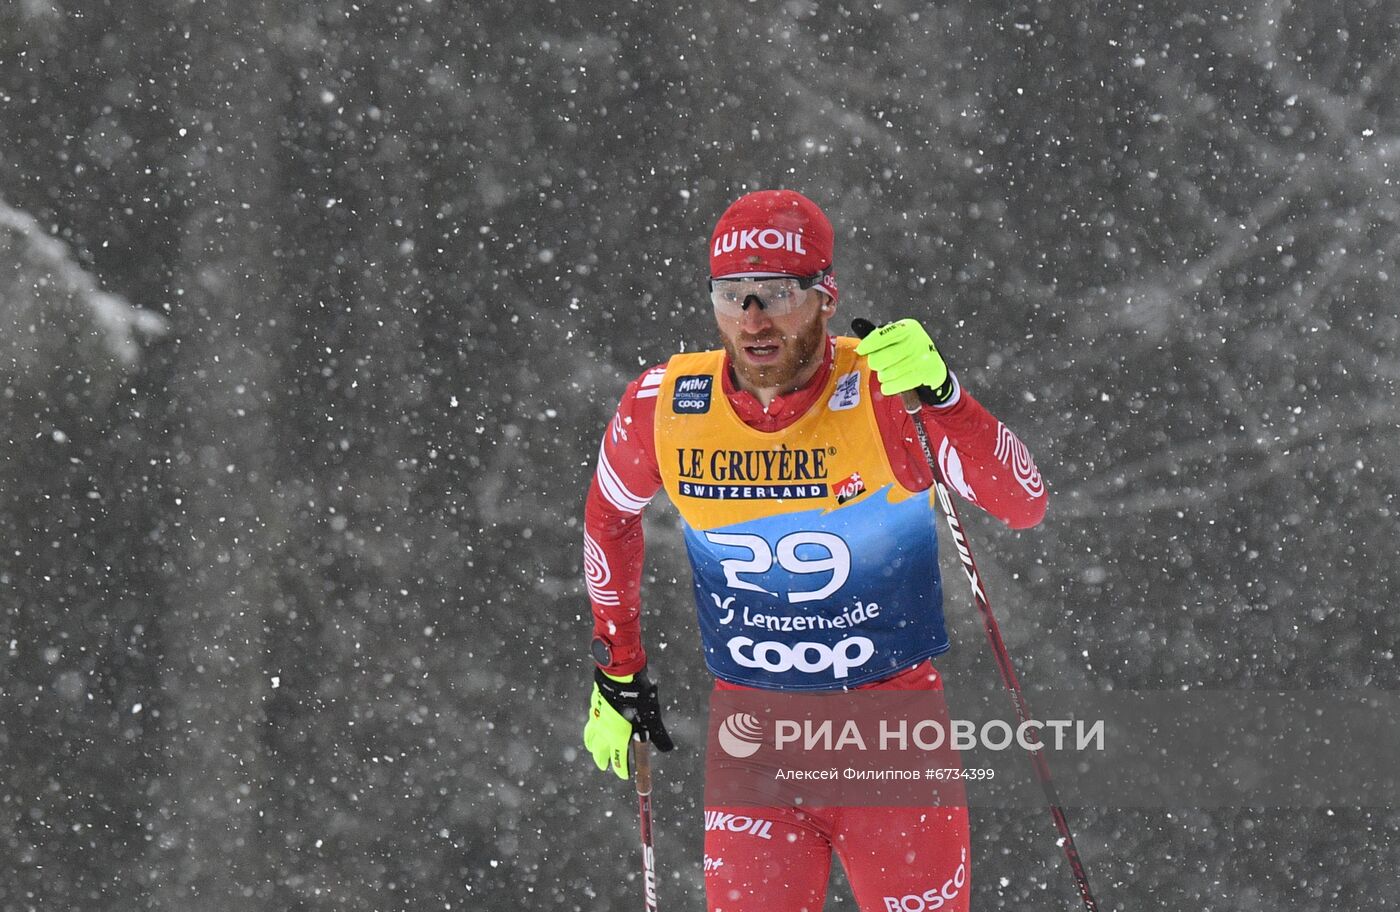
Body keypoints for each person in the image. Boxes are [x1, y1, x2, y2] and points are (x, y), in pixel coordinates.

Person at [582, 189, 1047, 912]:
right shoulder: (666, 406)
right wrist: (619, 666)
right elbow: (609, 517)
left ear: (825, 297)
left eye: (776, 293)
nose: (752, 319)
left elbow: (1023, 502)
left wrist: (946, 394)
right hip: (754, 740)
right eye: (731, 294)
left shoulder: (884, 389)